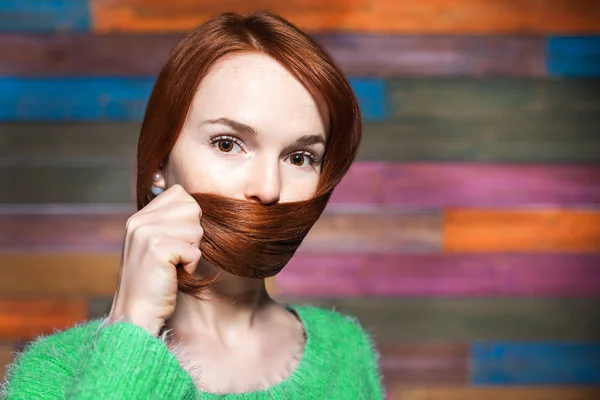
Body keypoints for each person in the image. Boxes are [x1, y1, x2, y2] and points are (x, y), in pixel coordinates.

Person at [1, 11, 384, 399]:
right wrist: (132, 328)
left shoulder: (346, 351)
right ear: (159, 164)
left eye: (300, 157)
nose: (268, 189)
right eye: (227, 143)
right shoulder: (53, 371)